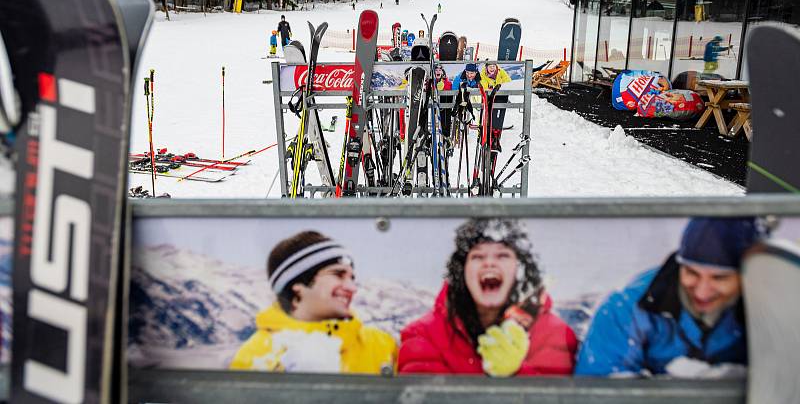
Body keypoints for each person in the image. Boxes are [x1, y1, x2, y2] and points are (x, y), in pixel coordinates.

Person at [575, 217, 762, 377]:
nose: (702, 292)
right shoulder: (629, 306)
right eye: (692, 273)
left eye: (719, 277)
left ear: (746, 275)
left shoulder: (768, 308)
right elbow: (597, 387)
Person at [398, 218, 577, 376]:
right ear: (461, 270)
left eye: (503, 255)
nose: (489, 262)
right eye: (477, 256)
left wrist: (516, 374)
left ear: (520, 268)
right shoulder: (424, 335)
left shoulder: (554, 334)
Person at [230, 231, 397, 374]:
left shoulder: (381, 344)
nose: (352, 288)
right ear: (298, 287)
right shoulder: (256, 356)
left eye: (352, 278)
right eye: (338, 275)